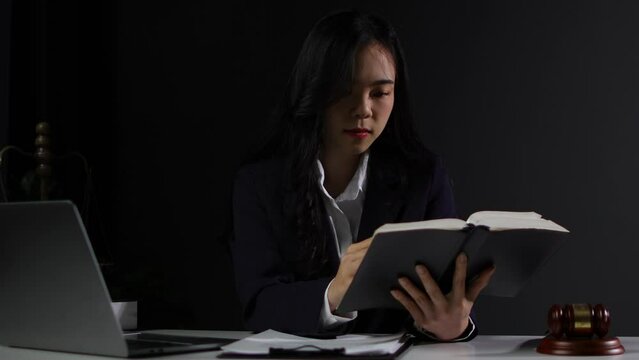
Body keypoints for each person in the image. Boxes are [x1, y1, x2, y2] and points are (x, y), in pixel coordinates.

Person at [230, 9, 495, 341]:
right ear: (314, 89)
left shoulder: (423, 177)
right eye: (345, 90)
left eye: (380, 93)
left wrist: (454, 327)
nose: (363, 109)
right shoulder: (260, 184)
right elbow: (259, 306)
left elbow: (444, 302)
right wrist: (333, 294)